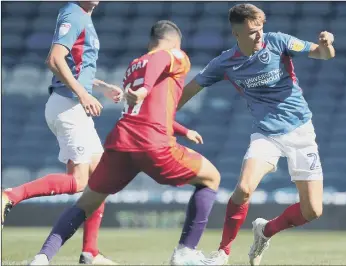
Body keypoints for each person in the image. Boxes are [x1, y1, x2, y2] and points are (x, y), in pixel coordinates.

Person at [28, 20, 222, 266]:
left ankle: (42, 257)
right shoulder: (174, 54)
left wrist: (183, 130)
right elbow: (160, 63)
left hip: (121, 143)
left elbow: (148, 109)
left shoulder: (133, 66)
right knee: (212, 177)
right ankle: (186, 252)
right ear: (175, 41)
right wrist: (144, 90)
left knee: (87, 202)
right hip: (153, 143)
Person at [178, 3, 336, 266]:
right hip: (266, 133)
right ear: (236, 34)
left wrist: (327, 43)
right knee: (243, 188)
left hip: (301, 131)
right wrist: (163, 113)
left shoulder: (278, 42)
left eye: (260, 29)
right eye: (252, 32)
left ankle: (265, 231)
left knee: (313, 211)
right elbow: (191, 88)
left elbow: (322, 54)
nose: (259, 35)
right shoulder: (225, 62)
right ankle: (222, 253)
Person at [1, 1, 122, 264]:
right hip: (68, 105)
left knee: (102, 178)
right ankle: (9, 195)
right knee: (79, 181)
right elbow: (54, 59)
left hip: (72, 103)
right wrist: (83, 94)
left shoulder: (83, 17)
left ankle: (90, 252)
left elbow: (76, 66)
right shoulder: (73, 13)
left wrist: (99, 87)